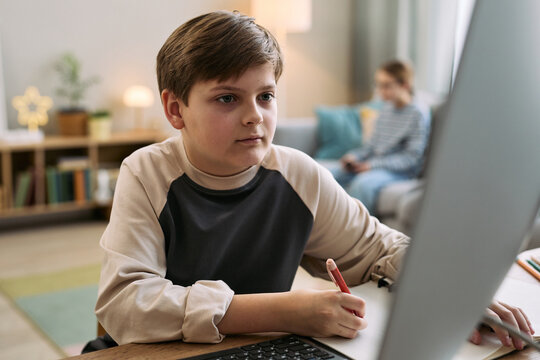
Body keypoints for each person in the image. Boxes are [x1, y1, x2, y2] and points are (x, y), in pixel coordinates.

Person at [94, 10, 533, 351]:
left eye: (266, 96)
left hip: (258, 349)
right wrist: (284, 311)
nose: (255, 116)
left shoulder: (297, 173)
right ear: (175, 110)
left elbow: (380, 249)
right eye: (227, 98)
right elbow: (125, 306)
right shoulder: (145, 173)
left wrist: (452, 294)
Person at [332, 61, 430, 215]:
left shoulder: (417, 113)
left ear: (404, 85)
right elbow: (371, 146)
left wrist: (372, 166)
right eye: (378, 85)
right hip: (373, 164)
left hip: (400, 171)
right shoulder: (386, 108)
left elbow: (411, 158)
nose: (380, 91)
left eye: (386, 85)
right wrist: (354, 156)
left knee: (362, 184)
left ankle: (356, 235)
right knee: (329, 175)